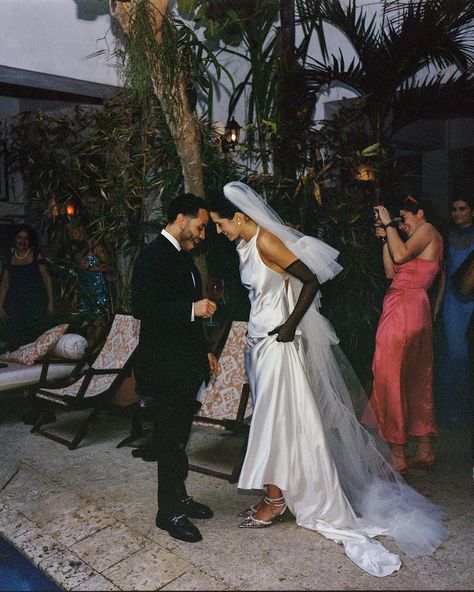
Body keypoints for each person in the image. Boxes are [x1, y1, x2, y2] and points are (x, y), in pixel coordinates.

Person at [210, 182, 447, 578]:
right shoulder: (244, 245)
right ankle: (281, 492)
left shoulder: (267, 241)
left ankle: (275, 498)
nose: (220, 232)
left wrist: (289, 326)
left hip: (277, 344)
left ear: (238, 216)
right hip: (259, 343)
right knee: (280, 421)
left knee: (275, 420)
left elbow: (311, 278)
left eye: (221, 224)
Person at [131, 193, 218, 544]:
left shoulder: (183, 257)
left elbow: (190, 315)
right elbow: (142, 308)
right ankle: (168, 513)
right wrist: (192, 310)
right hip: (163, 366)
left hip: (184, 365)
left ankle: (179, 497)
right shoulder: (152, 256)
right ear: (181, 219)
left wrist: (205, 351)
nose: (202, 234)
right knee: (168, 440)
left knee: (179, 437)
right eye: (199, 226)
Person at [366, 196, 443, 475]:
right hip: (413, 307)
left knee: (389, 376)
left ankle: (398, 455)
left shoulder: (428, 228)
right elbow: (391, 271)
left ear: (420, 213)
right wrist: (386, 236)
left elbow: (400, 256)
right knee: (416, 378)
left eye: (405, 218)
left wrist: (389, 224)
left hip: (404, 308)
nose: (403, 224)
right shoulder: (417, 239)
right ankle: (424, 449)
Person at [434, 197, 474, 429]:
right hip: (452, 301)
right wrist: (438, 304)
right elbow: (444, 274)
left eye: (462, 209)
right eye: (454, 209)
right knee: (454, 353)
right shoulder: (448, 237)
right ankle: (453, 412)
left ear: (472, 211)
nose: (457, 213)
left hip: (471, 302)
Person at [0, 224, 54, 350]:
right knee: (14, 339)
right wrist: (0, 306)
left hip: (35, 303)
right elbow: (4, 283)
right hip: (15, 304)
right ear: (14, 239)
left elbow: (46, 278)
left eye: (26, 238)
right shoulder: (9, 258)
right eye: (19, 238)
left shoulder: (36, 256)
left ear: (30, 241)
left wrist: (51, 302)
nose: (22, 241)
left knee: (33, 338)